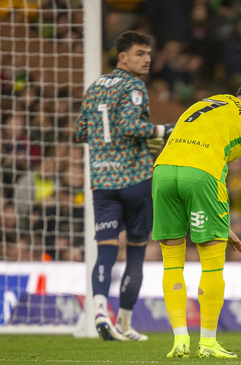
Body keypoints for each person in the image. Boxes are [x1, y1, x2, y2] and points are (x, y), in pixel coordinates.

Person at [152, 82, 241, 359]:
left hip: (162, 171)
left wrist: (221, 226)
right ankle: (208, 343)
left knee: (172, 260)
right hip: (203, 173)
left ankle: (179, 341)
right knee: (211, 263)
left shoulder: (204, 103)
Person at [76, 31, 175, 341]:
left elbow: (81, 132)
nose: (147, 59)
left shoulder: (94, 87)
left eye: (148, 53)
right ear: (122, 57)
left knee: (105, 251)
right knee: (135, 252)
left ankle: (100, 313)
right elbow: (131, 125)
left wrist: (106, 147)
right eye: (140, 53)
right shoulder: (133, 86)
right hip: (135, 179)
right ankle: (127, 324)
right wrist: (165, 130)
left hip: (102, 182)